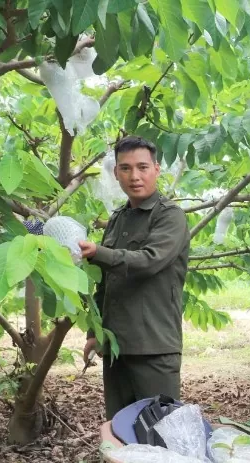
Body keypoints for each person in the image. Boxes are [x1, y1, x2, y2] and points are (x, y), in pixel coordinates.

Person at [79, 136, 190, 420]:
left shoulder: (170, 216)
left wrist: (98, 252)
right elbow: (105, 281)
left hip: (153, 346)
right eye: (125, 168)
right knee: (121, 428)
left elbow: (149, 261)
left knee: (161, 430)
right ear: (116, 173)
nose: (134, 176)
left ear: (156, 169)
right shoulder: (118, 218)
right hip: (116, 346)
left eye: (142, 167)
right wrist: (95, 333)